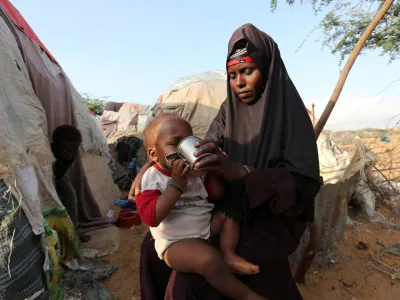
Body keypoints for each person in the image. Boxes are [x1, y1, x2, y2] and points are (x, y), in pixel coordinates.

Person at [130, 23, 321, 299]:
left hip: (267, 217)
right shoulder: (228, 112)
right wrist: (150, 168)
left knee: (186, 286)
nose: (239, 83)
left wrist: (243, 173)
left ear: (267, 69)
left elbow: (303, 186)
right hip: (224, 206)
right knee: (151, 247)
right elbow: (197, 151)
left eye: (247, 71)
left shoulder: (291, 117)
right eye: (232, 75)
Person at [136, 115, 264, 300]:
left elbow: (216, 195)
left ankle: (227, 252)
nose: (184, 149)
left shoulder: (194, 172)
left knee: (231, 210)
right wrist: (176, 185)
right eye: (175, 143)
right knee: (209, 260)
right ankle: (246, 296)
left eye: (188, 141)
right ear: (154, 154)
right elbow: (151, 217)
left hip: (204, 229)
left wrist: (211, 171)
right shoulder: (152, 178)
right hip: (175, 242)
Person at [52, 125, 90, 242]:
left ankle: (74, 230)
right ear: (55, 146)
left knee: (71, 196)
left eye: (74, 150)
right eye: (65, 150)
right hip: (47, 175)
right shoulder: (49, 153)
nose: (69, 154)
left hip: (59, 175)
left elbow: (60, 174)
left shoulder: (71, 153)